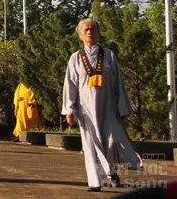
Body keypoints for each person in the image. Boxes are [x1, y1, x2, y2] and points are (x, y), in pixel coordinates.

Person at [61, 18, 142, 192]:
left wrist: (122, 107)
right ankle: (95, 181)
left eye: (93, 29)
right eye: (86, 30)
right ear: (80, 35)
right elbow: (70, 85)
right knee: (90, 144)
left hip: (108, 107)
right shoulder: (75, 58)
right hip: (86, 109)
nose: (89, 32)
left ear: (98, 33)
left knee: (110, 142)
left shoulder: (109, 56)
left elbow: (118, 83)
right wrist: (69, 109)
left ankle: (111, 173)